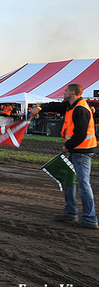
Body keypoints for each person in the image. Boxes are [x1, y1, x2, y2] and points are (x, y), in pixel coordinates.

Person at [31, 84, 98, 229]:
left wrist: (67, 147)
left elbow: (81, 134)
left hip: (82, 151)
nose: (64, 92)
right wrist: (40, 108)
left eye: (66, 90)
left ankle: (90, 218)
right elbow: (55, 106)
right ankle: (71, 211)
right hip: (77, 150)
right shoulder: (70, 105)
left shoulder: (80, 109)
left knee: (84, 184)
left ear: (73, 92)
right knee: (69, 178)